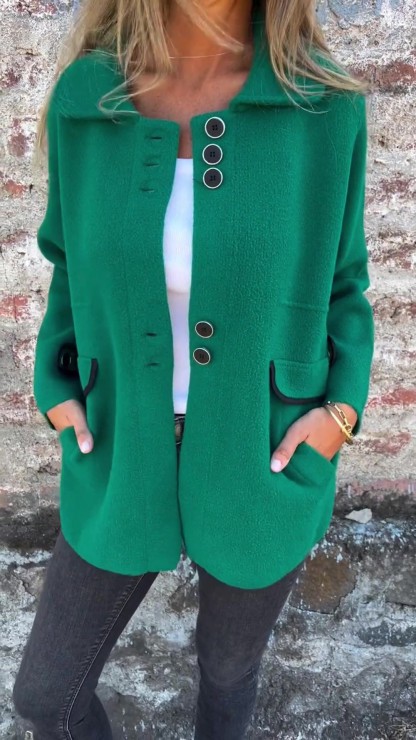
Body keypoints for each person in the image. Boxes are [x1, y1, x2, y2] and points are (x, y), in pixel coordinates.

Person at [12, 0, 374, 737]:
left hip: (263, 457)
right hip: (118, 444)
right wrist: (55, 384)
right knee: (47, 697)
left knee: (228, 674)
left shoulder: (322, 105)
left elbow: (344, 284)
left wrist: (340, 414)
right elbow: (68, 262)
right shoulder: (91, 97)